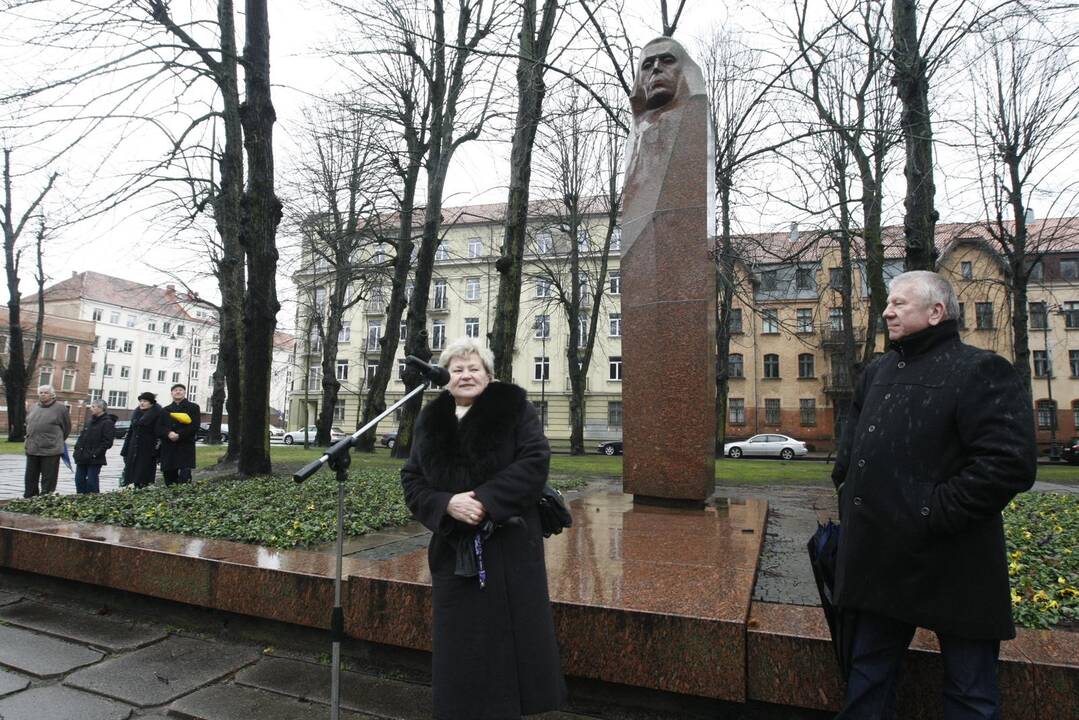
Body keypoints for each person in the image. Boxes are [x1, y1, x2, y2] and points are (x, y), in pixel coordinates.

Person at [831, 271, 1037, 719]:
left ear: (936, 311)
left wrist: (931, 511)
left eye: (900, 303)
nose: (887, 311)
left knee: (969, 694)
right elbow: (851, 447)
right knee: (867, 680)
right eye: (889, 302)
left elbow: (1008, 463)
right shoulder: (878, 372)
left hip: (956, 564)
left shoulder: (979, 369)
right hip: (881, 562)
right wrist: (846, 488)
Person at [400, 337, 566, 720]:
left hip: (507, 544)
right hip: (453, 550)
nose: (465, 374)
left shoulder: (514, 409)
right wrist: (447, 504)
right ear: (445, 378)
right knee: (462, 643)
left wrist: (484, 500)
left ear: (489, 375)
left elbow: (534, 461)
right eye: (456, 369)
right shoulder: (431, 421)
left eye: (474, 368)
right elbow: (412, 479)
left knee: (508, 642)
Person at [23, 384, 72, 498]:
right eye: (41, 392)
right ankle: (29, 497)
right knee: (30, 477)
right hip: (32, 448)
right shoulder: (33, 407)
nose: (43, 395)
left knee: (48, 478)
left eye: (46, 393)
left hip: (51, 450)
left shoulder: (61, 409)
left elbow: (66, 428)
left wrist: (55, 440)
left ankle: (46, 498)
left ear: (52, 394)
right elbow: (28, 424)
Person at [156, 383, 200, 486]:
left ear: (184, 392)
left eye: (180, 390)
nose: (178, 392)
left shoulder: (193, 407)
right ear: (171, 393)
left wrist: (179, 435)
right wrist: (168, 433)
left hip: (185, 446)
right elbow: (159, 427)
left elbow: (194, 426)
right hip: (168, 447)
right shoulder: (165, 410)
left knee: (185, 477)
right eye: (175, 390)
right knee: (169, 477)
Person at [72, 399, 116, 494]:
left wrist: (95, 454)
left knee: (92, 482)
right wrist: (77, 450)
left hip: (94, 458)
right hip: (82, 456)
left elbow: (107, 442)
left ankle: (93, 499)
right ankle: (80, 499)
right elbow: (82, 437)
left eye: (93, 406)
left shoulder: (107, 422)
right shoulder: (90, 421)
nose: (91, 408)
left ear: (100, 408)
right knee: (79, 480)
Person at [121, 392, 162, 489]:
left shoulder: (157, 414)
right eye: (141, 401)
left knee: (144, 476)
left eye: (145, 401)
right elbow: (130, 433)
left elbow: (160, 434)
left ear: (151, 403)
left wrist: (157, 451)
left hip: (148, 449)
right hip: (134, 448)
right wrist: (125, 450)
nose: (142, 403)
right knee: (133, 476)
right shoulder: (136, 414)